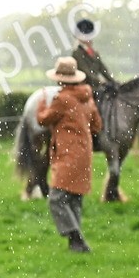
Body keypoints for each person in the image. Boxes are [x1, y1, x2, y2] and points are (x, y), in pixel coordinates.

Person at [36, 56, 102, 253]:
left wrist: (41, 104)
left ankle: (76, 238)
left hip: (68, 153)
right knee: (74, 198)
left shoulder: (62, 99)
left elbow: (43, 119)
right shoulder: (87, 98)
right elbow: (97, 126)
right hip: (84, 152)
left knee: (56, 198)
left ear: (60, 78)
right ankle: (75, 244)